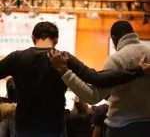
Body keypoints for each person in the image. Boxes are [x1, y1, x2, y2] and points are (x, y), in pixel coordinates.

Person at [0, 21, 149, 137]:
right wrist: (137, 70)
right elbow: (98, 78)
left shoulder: (16, 58)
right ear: (56, 40)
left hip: (24, 128)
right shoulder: (64, 58)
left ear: (33, 38)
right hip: (54, 128)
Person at [49, 21, 150, 137]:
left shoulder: (116, 59)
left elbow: (92, 96)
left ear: (113, 39)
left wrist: (64, 72)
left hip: (121, 127)